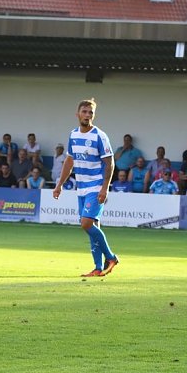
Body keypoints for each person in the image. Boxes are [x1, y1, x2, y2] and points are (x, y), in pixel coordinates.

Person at [52, 98, 120, 277]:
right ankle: (98, 268)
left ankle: (111, 257)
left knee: (86, 223)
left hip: (96, 186)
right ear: (77, 114)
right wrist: (59, 184)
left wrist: (104, 188)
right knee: (92, 227)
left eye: (91, 113)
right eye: (84, 112)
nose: (88, 115)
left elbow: (110, 163)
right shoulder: (73, 135)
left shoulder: (100, 136)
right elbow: (69, 161)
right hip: (81, 188)